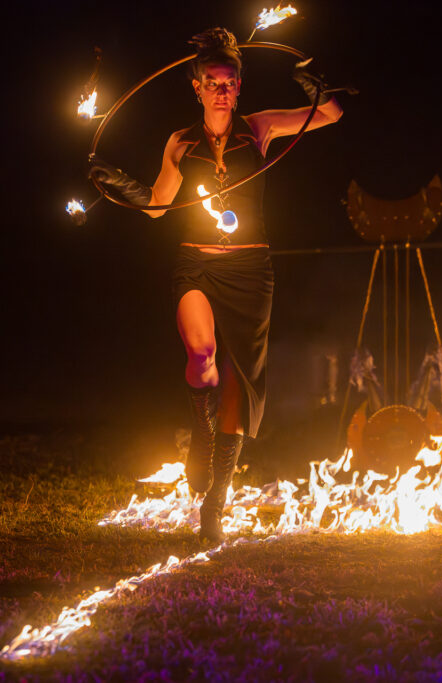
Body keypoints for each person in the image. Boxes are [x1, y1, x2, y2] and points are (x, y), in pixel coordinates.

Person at [89, 28, 343, 543]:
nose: (221, 90)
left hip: (251, 271)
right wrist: (119, 184)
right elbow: (161, 206)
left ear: (239, 86)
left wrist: (309, 81)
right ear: (196, 88)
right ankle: (200, 437)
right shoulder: (180, 142)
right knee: (201, 353)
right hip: (197, 266)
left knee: (237, 386)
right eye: (212, 82)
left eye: (229, 82)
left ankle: (216, 500)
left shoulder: (261, 128)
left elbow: (332, 114)